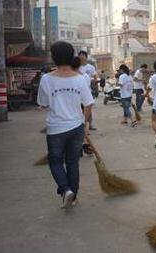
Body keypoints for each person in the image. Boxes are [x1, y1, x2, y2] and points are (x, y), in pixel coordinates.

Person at [37, 41, 94, 209]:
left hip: (55, 128)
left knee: (55, 162)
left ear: (53, 57)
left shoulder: (46, 79)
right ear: (71, 57)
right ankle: (73, 196)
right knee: (72, 162)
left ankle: (65, 189)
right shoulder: (80, 79)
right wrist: (84, 124)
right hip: (76, 127)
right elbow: (89, 104)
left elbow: (43, 103)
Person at [78, 50, 98, 130]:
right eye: (80, 55)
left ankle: (90, 124)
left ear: (86, 57)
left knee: (88, 108)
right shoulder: (76, 67)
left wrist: (95, 84)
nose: (81, 57)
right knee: (80, 109)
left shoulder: (91, 67)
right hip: (78, 92)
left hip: (88, 90)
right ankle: (81, 125)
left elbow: (95, 77)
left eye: (83, 55)